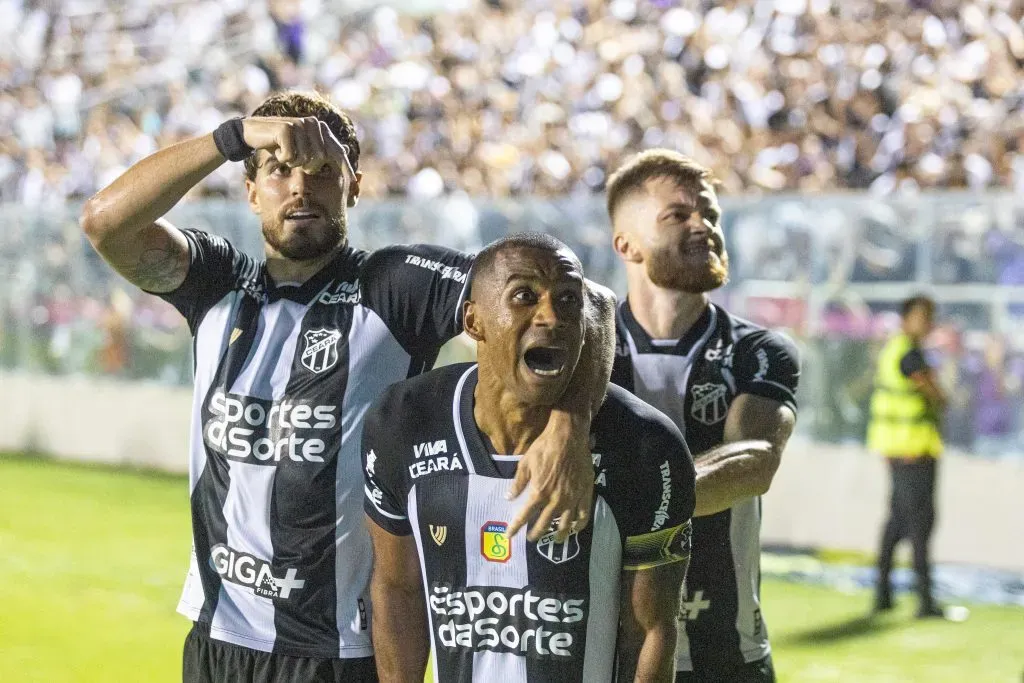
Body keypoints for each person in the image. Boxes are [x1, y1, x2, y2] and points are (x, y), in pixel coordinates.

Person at [80, 90, 612, 682]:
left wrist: (570, 424)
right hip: (218, 639)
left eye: (322, 171)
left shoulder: (395, 287)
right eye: (278, 170)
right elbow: (105, 222)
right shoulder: (215, 284)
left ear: (353, 187)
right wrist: (232, 137)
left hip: (342, 653)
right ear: (251, 192)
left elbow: (587, 302)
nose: (300, 188)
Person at [362, 233, 695, 683]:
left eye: (567, 301)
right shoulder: (405, 420)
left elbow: (652, 630)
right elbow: (397, 587)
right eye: (523, 297)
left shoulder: (645, 445)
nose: (550, 317)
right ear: (474, 321)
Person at [605, 150, 801, 683]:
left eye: (710, 215)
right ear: (627, 244)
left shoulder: (758, 351)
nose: (704, 227)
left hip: (727, 655)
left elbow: (755, 463)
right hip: (609, 654)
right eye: (679, 216)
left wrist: (620, 493)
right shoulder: (584, 354)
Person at [867, 295, 946, 618]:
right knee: (918, 525)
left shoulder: (894, 349)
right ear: (907, 318)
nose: (928, 324)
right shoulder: (910, 356)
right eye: (922, 316)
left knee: (897, 523)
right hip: (913, 451)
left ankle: (883, 594)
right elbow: (937, 396)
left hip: (899, 450)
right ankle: (924, 600)